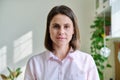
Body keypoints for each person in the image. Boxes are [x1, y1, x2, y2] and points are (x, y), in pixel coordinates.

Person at [24, 5, 100, 80]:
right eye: (56, 26)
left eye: (66, 26)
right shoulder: (34, 63)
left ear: (73, 30)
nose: (61, 32)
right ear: (49, 29)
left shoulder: (86, 61)